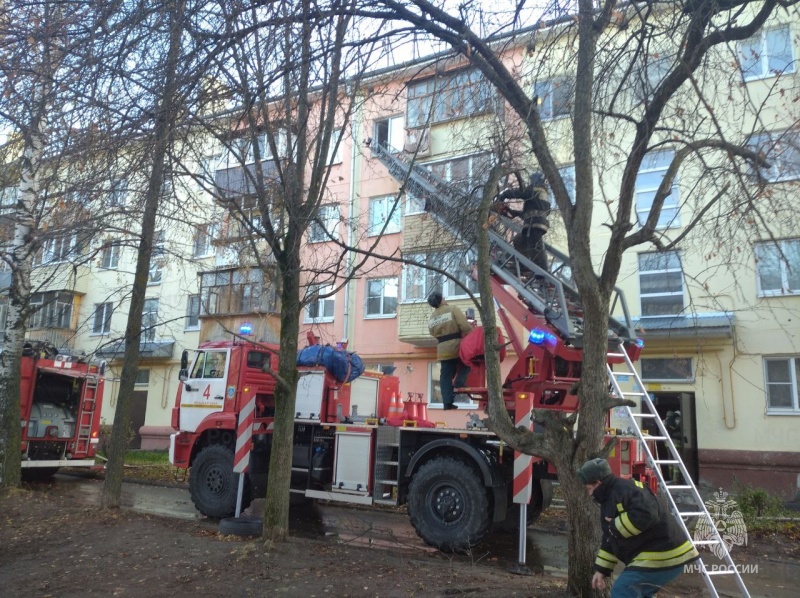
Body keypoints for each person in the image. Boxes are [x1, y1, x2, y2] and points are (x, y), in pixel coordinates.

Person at [577, 457, 699, 597]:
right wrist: (601, 570)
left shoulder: (625, 490)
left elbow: (646, 514)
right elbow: (610, 537)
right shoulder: (613, 496)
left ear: (598, 483)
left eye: (590, 489)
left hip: (662, 554)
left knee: (622, 591)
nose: (590, 494)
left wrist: (615, 525)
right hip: (665, 554)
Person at [493, 172, 551, 275]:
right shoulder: (542, 194)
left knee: (534, 247)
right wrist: (510, 211)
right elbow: (527, 213)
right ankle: (523, 266)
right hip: (535, 223)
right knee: (519, 240)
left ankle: (542, 272)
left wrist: (504, 195)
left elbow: (520, 193)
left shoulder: (535, 190)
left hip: (534, 224)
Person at [427, 291, 473, 410]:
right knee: (468, 363)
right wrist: (472, 334)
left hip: (442, 348)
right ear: (441, 300)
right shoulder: (452, 309)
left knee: (445, 376)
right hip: (456, 345)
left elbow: (432, 332)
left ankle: (447, 403)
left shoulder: (432, 317)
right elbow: (465, 326)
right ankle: (459, 381)